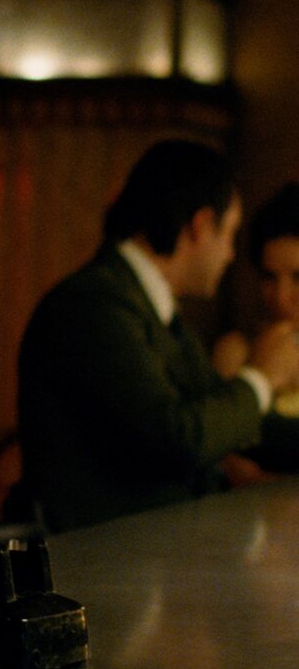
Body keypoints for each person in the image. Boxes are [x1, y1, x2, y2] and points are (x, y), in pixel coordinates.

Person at [18, 139, 299, 533]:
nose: (230, 255)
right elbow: (178, 442)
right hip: (107, 559)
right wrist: (261, 378)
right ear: (201, 226)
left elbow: (232, 423)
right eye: (229, 235)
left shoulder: (149, 307)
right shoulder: (94, 304)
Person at [212, 182, 299, 475]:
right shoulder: (236, 352)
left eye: (298, 277)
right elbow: (222, 459)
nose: (281, 297)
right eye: (269, 277)